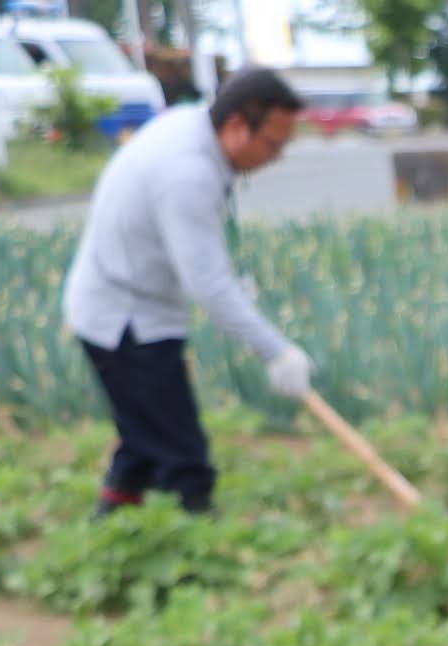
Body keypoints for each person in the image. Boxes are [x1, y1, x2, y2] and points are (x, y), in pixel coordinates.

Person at [60, 68, 314, 518]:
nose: (276, 158)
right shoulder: (187, 172)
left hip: (132, 305)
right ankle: (196, 550)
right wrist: (275, 352)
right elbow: (208, 285)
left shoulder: (194, 128)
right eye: (273, 145)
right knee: (182, 453)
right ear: (237, 126)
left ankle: (108, 531)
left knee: (144, 436)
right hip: (124, 319)